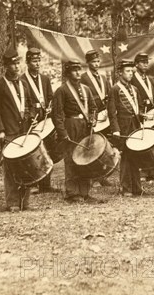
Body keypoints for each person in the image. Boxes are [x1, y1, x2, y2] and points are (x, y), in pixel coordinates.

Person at [0, 45, 36, 211]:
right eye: (12, 64)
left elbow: (30, 104)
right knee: (10, 168)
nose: (16, 67)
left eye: (18, 63)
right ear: (6, 66)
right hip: (9, 133)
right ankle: (12, 202)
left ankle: (26, 201)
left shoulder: (23, 84)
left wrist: (32, 117)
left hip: (24, 131)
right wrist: (0, 130)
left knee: (27, 165)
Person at [52, 60, 104, 204]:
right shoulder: (62, 90)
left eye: (78, 69)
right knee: (71, 159)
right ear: (68, 73)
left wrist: (93, 120)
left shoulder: (86, 89)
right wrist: (62, 133)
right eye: (74, 70)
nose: (77, 72)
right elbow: (56, 114)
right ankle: (72, 193)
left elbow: (94, 108)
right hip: (71, 125)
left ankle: (85, 192)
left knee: (86, 158)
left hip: (85, 127)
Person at [20, 47, 61, 194]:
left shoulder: (45, 79)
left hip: (45, 119)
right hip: (31, 120)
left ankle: (45, 184)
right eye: (34, 61)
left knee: (47, 150)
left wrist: (51, 108)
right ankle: (31, 183)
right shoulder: (22, 80)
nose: (37, 64)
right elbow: (23, 102)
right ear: (27, 62)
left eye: (38, 61)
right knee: (31, 151)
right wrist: (31, 116)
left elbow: (50, 97)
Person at [108, 60, 145, 197]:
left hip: (134, 124)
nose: (130, 74)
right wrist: (115, 129)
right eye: (127, 71)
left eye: (131, 71)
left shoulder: (134, 89)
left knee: (136, 155)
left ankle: (137, 187)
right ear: (120, 73)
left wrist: (141, 114)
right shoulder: (115, 89)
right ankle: (126, 188)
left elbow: (138, 106)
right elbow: (112, 112)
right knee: (126, 158)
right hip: (123, 126)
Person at [80, 49, 112, 187]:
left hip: (104, 115)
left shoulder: (103, 77)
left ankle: (102, 175)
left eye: (98, 61)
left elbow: (109, 93)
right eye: (93, 61)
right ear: (88, 63)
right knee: (93, 146)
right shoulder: (83, 78)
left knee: (103, 145)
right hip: (92, 115)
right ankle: (92, 177)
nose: (97, 64)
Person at [131, 52, 154, 182]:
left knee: (151, 141)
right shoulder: (131, 79)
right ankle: (142, 171)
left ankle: (152, 170)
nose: (145, 65)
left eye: (146, 62)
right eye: (142, 62)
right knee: (141, 142)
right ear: (136, 64)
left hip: (151, 114)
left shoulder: (150, 79)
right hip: (139, 114)